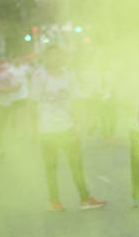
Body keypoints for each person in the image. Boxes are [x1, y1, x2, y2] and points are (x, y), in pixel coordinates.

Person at [31, 46, 105, 212]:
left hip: (67, 127)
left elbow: (76, 101)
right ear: (46, 58)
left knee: (76, 164)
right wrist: (33, 127)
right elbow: (32, 102)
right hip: (47, 129)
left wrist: (78, 123)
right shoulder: (39, 76)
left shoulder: (67, 74)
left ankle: (85, 199)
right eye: (52, 56)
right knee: (51, 167)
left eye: (58, 55)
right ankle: (54, 201)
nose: (55, 58)